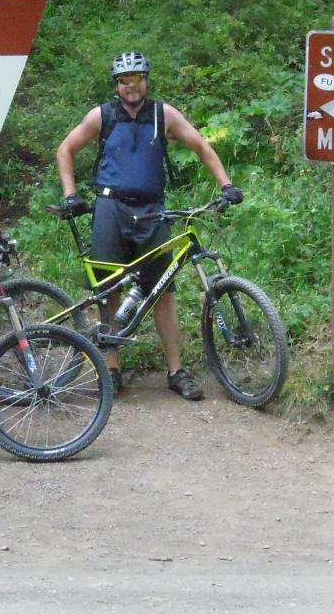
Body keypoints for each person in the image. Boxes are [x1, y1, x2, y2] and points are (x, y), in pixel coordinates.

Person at [56, 50, 243, 400]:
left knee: (164, 293)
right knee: (107, 290)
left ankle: (175, 370)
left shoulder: (163, 114)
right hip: (111, 208)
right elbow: (65, 149)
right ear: (117, 85)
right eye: (125, 80)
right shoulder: (102, 116)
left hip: (153, 211)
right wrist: (71, 194)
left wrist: (226, 184)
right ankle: (110, 369)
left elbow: (201, 146)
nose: (131, 86)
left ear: (146, 80)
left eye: (137, 78)